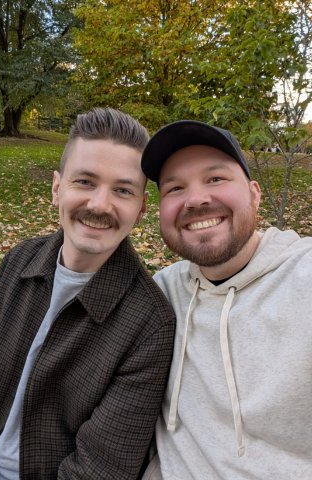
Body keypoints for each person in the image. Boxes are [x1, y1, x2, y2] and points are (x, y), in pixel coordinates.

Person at [0, 108, 176, 480]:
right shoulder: (19, 261)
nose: (99, 205)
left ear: (140, 209)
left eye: (122, 190)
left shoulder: (149, 325)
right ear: (58, 187)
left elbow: (98, 470)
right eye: (85, 182)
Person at [141, 120, 312, 479]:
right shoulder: (160, 294)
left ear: (254, 193)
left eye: (215, 179)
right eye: (174, 188)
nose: (196, 199)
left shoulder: (303, 276)